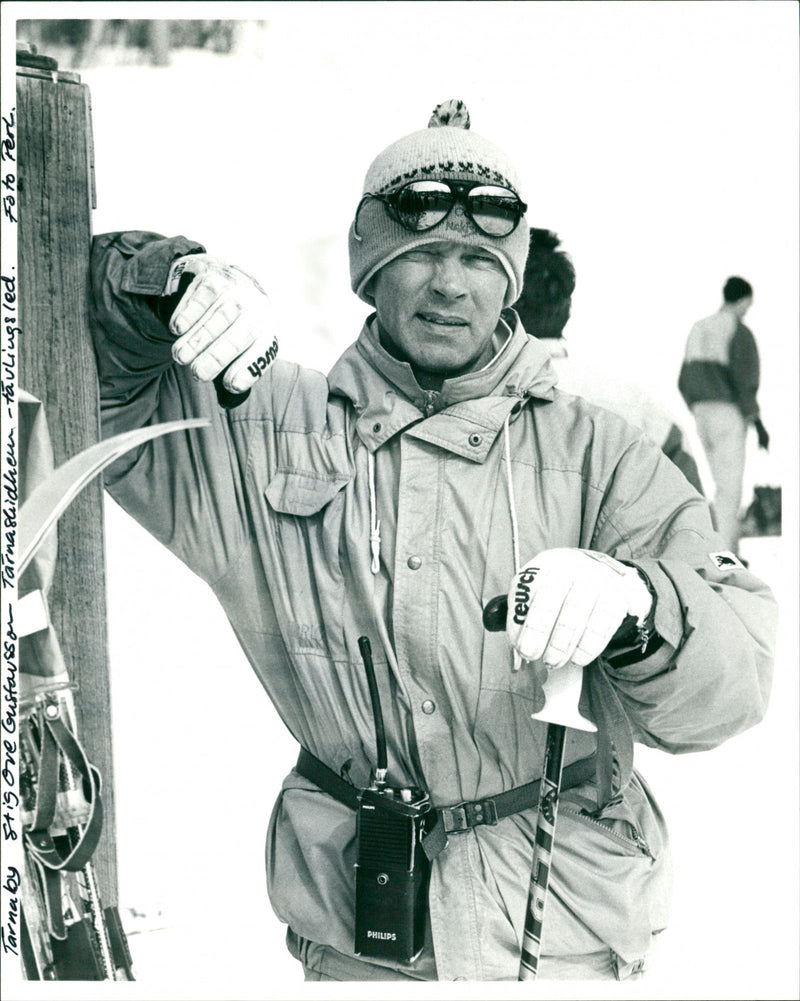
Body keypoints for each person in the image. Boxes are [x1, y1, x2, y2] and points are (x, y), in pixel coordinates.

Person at [88, 100, 776, 983]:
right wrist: (161, 282)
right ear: (369, 271)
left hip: (560, 925)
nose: (451, 283)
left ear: (510, 280)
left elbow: (736, 680)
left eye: (478, 259)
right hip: (358, 926)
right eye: (420, 253)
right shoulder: (262, 423)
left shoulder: (602, 453)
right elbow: (82, 374)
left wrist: (641, 611)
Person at [513, 228, 704, 493]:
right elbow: (698, 523)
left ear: (504, 299)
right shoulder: (637, 407)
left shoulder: (480, 404)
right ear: (566, 305)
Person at [678, 276, 769, 554]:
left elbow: (683, 380)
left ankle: (716, 551)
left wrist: (697, 407)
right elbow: (745, 382)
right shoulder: (738, 331)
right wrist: (758, 423)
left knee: (715, 487)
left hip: (701, 414)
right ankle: (727, 556)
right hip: (727, 413)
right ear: (742, 300)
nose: (746, 311)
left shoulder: (699, 328)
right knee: (729, 491)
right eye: (747, 305)